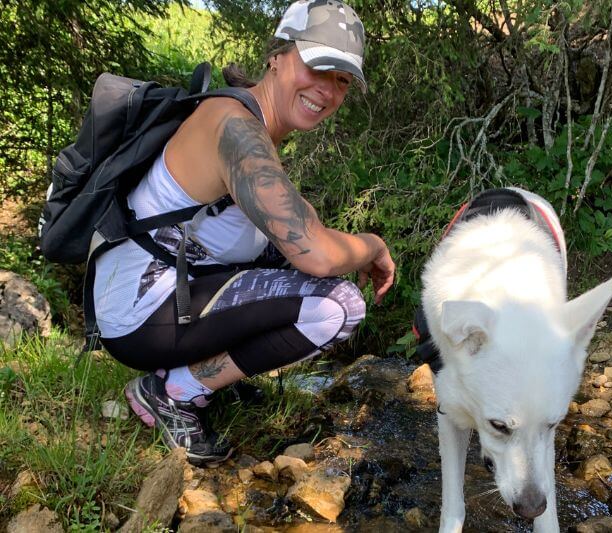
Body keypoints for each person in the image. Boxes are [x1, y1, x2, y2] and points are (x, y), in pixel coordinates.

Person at [92, 0, 394, 465]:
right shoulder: (236, 129)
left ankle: (196, 376)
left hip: (151, 295)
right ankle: (173, 390)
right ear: (277, 55)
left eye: (343, 80)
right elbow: (315, 252)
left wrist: (349, 248)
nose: (328, 90)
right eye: (319, 66)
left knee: (287, 258)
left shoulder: (254, 128)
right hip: (136, 313)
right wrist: (373, 246)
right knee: (339, 304)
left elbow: (304, 225)